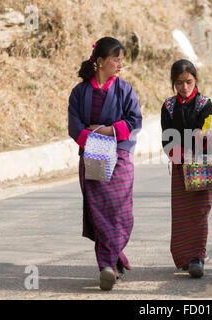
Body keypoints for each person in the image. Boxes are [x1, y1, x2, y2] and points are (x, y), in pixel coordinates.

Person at [68, 37, 142, 291]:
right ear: (100, 61)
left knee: (122, 214)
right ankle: (107, 267)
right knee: (99, 214)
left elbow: (134, 121)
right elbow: (74, 126)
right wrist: (94, 139)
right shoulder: (79, 92)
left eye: (122, 59)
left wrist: (108, 130)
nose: (121, 64)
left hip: (120, 156)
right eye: (115, 59)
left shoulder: (125, 90)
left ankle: (115, 253)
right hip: (92, 155)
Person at [160, 59, 212, 278]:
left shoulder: (205, 103)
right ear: (173, 83)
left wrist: (205, 135)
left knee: (200, 211)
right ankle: (183, 258)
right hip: (180, 167)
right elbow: (167, 138)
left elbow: (211, 124)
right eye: (179, 83)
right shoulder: (168, 106)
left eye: (189, 81)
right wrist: (181, 157)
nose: (184, 87)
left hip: (202, 165)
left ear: (196, 80)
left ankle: (197, 257)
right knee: (182, 213)